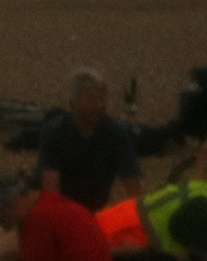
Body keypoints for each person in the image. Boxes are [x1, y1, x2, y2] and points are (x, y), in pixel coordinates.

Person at [33, 69, 143, 211]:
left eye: (102, 99)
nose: (98, 105)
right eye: (91, 100)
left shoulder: (117, 133)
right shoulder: (54, 131)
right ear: (72, 104)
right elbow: (51, 189)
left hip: (97, 208)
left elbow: (133, 187)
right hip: (63, 207)